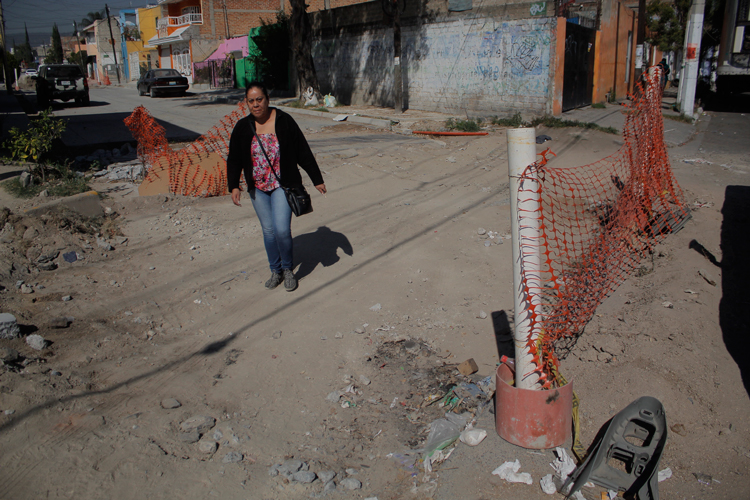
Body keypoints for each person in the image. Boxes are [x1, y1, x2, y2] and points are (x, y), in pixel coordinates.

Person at [226, 82, 327, 291]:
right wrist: (233, 185)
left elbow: (302, 150)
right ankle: (276, 270)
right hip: (258, 188)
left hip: (282, 185)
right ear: (247, 103)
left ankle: (288, 269)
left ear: (267, 99)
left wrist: (316, 179)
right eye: (251, 101)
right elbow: (234, 158)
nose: (256, 104)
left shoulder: (284, 121)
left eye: (259, 99)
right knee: (269, 231)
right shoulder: (243, 127)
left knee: (281, 230)